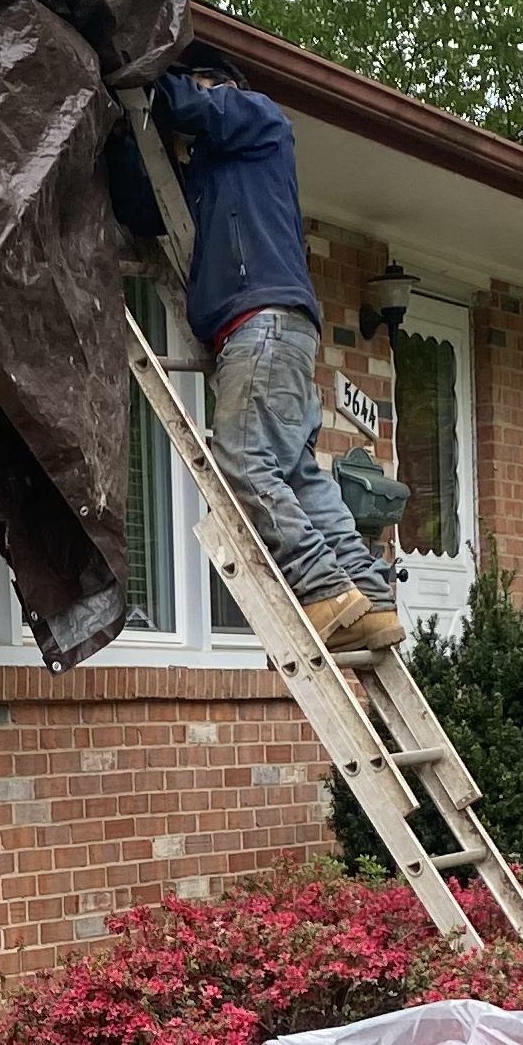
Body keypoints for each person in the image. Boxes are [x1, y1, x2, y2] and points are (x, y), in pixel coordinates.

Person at [111, 56, 402, 652]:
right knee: (298, 472)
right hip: (281, 332)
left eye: (201, 85)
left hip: (262, 324)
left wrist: (134, 73)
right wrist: (124, 134)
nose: (193, 97)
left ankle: (323, 590)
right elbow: (142, 207)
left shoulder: (261, 120)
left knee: (241, 458)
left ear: (226, 90)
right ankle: (372, 600)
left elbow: (190, 106)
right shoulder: (213, 175)